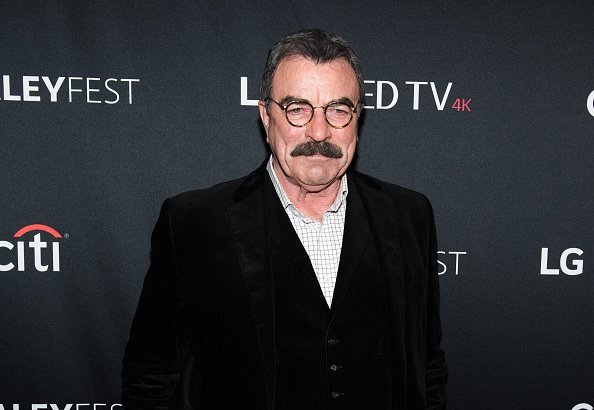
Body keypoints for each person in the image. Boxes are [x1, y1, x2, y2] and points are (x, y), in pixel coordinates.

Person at [122, 29, 447, 410]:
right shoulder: (194, 223)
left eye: (339, 110)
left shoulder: (409, 216)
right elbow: (151, 373)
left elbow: (428, 365)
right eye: (298, 109)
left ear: (358, 118)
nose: (319, 131)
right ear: (266, 116)